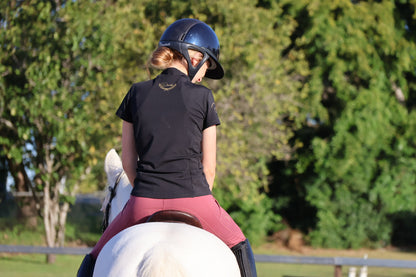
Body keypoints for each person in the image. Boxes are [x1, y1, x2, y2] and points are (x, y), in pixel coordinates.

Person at [77, 18, 257, 277]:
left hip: (142, 203)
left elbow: (128, 162)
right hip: (196, 200)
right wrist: (195, 196)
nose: (205, 73)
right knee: (240, 245)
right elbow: (210, 169)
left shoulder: (135, 93)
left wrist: (146, 192)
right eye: (206, 64)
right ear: (194, 57)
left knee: (94, 256)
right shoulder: (204, 96)